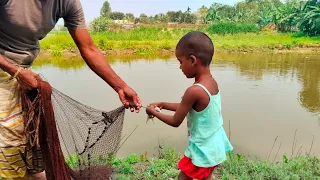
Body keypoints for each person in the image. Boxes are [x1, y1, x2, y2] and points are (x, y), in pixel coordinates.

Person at [0, 0, 141, 179]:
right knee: (11, 141)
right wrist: (15, 71)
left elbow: (89, 49)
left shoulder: (68, 3)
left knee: (31, 142)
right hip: (5, 67)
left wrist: (120, 86)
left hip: (24, 70)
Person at [146, 31, 233, 180]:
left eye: (180, 62)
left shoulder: (193, 91)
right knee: (205, 177)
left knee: (183, 178)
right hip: (215, 144)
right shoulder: (211, 83)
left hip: (202, 149)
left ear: (193, 60)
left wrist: (153, 111)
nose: (180, 67)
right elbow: (188, 107)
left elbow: (175, 121)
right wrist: (163, 104)